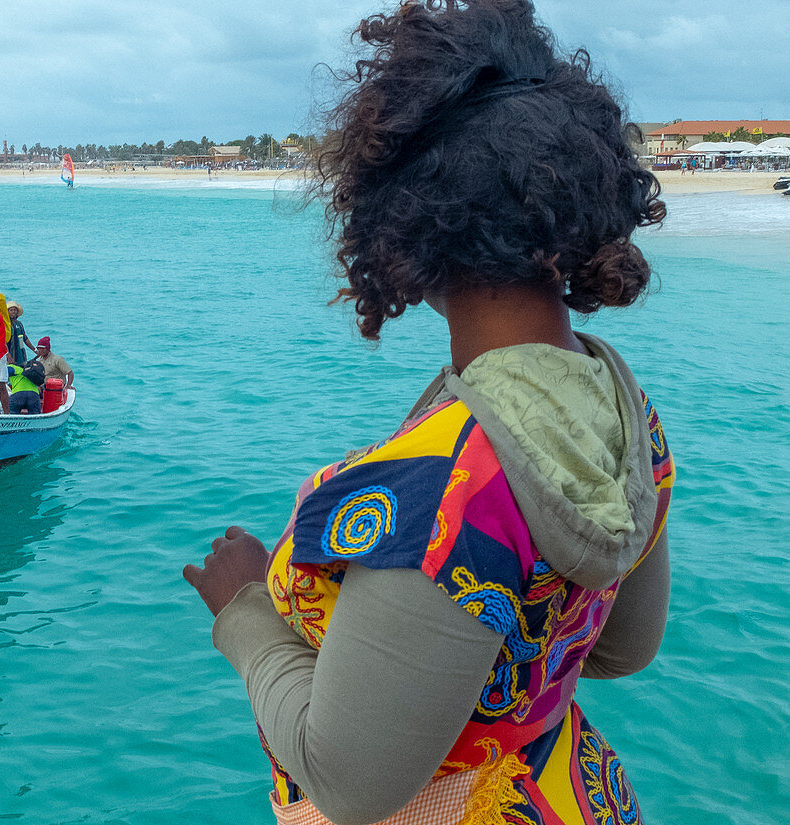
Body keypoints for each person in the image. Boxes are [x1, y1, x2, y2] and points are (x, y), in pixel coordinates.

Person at [182, 3, 675, 824]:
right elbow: (626, 647)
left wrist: (245, 615)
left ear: (407, 225)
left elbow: (348, 784)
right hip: (576, 799)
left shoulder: (440, 492)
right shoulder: (626, 409)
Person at [6, 301, 35, 366]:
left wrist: (34, 349)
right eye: (11, 310)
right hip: (10, 357)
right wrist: (8, 356)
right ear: (7, 312)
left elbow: (25, 339)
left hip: (21, 356)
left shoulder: (19, 324)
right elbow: (3, 342)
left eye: (15, 310)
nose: (13, 312)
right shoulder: (6, 325)